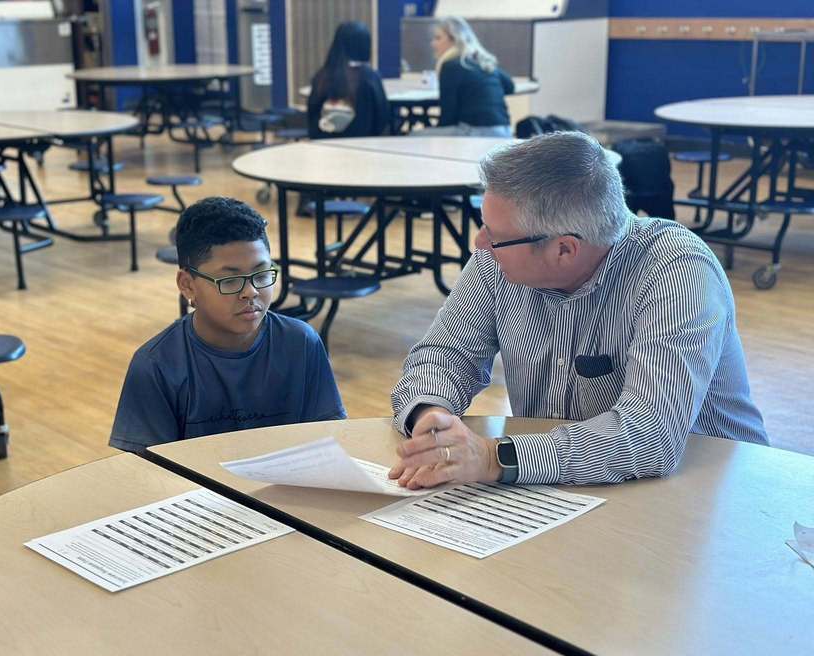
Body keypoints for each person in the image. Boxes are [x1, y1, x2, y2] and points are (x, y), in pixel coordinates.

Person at [389, 131, 768, 489]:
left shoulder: (678, 271)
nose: (479, 242)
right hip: (572, 490)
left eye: (495, 236)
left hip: (713, 497)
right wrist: (429, 414)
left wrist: (494, 457)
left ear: (565, 249)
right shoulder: (499, 259)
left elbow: (650, 436)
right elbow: (443, 355)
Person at [110, 197, 346, 453]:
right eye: (230, 280)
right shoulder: (156, 365)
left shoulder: (301, 343)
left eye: (262, 274)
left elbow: (327, 442)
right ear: (187, 284)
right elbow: (148, 473)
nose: (251, 291)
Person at [424, 16, 514, 137]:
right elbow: (510, 86)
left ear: (454, 39)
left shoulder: (451, 66)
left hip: (476, 132)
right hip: (505, 131)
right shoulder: (480, 61)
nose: (433, 43)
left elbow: (448, 117)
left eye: (438, 38)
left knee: (412, 137)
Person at [306, 21, 390, 140]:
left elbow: (311, 117)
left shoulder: (322, 76)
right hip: (363, 148)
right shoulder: (369, 77)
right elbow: (382, 117)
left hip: (323, 148)